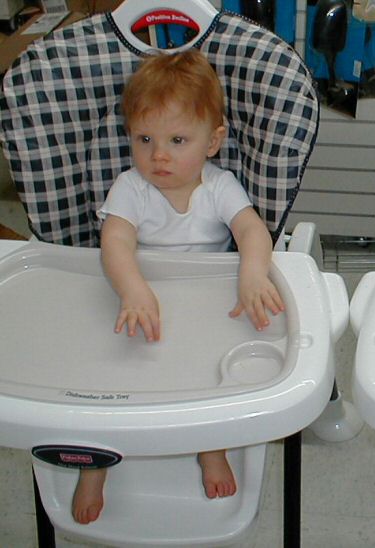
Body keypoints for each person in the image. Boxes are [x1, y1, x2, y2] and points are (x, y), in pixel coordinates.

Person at [71, 49, 284, 525]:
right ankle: (94, 461)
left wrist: (252, 273)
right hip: (140, 300)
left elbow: (251, 230)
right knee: (104, 380)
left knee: (210, 376)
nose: (159, 155)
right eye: (144, 139)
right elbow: (115, 243)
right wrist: (133, 288)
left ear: (213, 142)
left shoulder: (220, 186)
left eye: (177, 140)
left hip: (204, 306)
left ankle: (209, 445)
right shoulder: (131, 187)